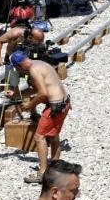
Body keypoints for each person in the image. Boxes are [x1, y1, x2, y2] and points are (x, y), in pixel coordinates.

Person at [10, 51, 71, 184]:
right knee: (54, 136)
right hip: (64, 103)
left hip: (54, 107)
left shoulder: (33, 70)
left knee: (39, 137)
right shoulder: (39, 63)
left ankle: (42, 174)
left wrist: (29, 105)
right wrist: (18, 94)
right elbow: (36, 88)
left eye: (18, 69)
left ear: (19, 65)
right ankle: (55, 169)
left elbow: (42, 94)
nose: (19, 72)